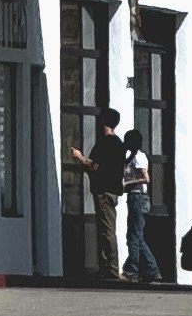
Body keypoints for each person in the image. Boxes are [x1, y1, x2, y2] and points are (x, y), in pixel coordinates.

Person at [67, 104, 129, 282]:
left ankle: (110, 269)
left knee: (106, 229)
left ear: (103, 122)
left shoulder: (105, 143)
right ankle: (108, 268)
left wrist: (79, 157)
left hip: (103, 190)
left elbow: (94, 166)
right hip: (113, 189)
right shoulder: (118, 144)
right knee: (108, 228)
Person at [121, 133, 162, 286]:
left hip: (137, 197)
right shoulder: (133, 156)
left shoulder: (138, 157)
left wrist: (128, 183)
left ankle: (132, 270)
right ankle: (151, 270)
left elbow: (146, 178)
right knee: (137, 236)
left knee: (133, 236)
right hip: (137, 197)